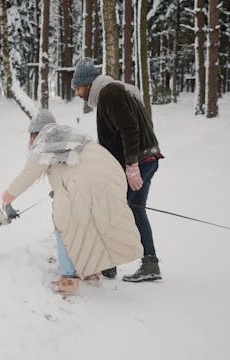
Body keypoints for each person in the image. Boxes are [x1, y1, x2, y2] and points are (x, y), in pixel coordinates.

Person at [1, 109, 143, 295]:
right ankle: (92, 271)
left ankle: (69, 278)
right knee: (90, 225)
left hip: (82, 191)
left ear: (35, 133)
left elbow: (28, 174)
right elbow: (76, 166)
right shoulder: (74, 136)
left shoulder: (45, 141)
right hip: (106, 183)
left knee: (62, 226)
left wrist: (7, 199)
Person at [72, 58, 164, 282]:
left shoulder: (109, 94)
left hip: (139, 162)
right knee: (134, 209)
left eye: (78, 88)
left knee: (112, 210)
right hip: (147, 158)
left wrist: (131, 164)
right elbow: (116, 134)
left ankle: (110, 264)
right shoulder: (113, 92)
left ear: (88, 84)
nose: (77, 93)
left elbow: (129, 128)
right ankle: (148, 263)